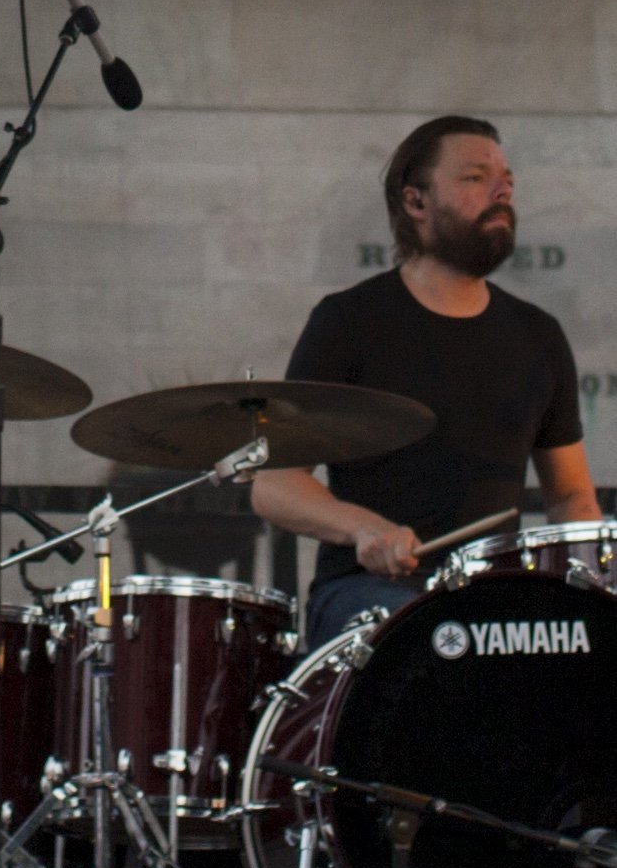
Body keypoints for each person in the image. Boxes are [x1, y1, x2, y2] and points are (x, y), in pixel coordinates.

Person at [251, 114, 598, 649]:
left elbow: (572, 496)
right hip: (365, 591)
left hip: (491, 598)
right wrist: (363, 528)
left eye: (507, 178)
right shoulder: (349, 322)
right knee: (434, 643)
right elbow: (274, 484)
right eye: (475, 177)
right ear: (415, 203)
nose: (502, 190)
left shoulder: (539, 336)